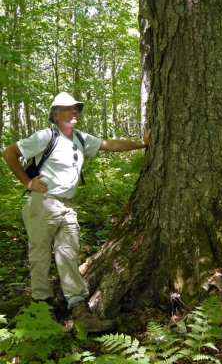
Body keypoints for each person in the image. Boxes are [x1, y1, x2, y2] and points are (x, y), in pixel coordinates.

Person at [2, 92, 149, 333]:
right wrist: (28, 183)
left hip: (68, 207)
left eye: (76, 109)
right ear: (55, 114)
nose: (74, 112)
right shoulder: (45, 136)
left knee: (69, 257)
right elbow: (9, 153)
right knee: (39, 256)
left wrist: (142, 143)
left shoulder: (80, 139)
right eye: (68, 108)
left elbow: (108, 145)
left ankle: (80, 312)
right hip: (42, 203)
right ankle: (43, 311)